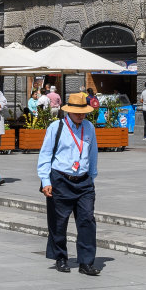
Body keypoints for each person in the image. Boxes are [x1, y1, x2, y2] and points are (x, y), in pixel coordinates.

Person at [38, 90, 101, 276]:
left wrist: (91, 177)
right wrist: (45, 180)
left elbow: (93, 154)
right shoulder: (56, 127)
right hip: (60, 179)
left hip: (83, 182)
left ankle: (86, 262)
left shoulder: (89, 127)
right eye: (76, 112)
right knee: (58, 221)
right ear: (68, 111)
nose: (81, 115)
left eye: (83, 112)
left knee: (87, 220)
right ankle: (61, 258)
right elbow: (45, 155)